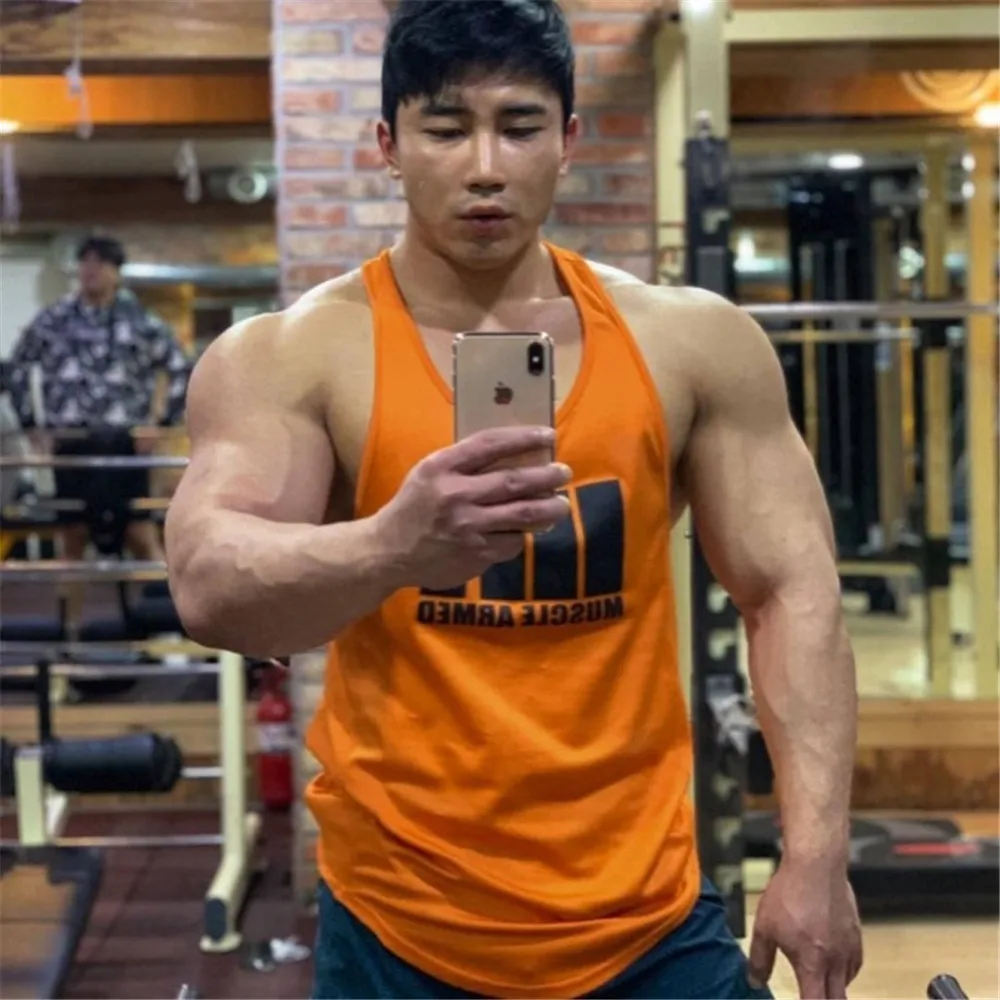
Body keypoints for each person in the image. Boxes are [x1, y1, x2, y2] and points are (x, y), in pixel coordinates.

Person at [165, 2, 863, 997]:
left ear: (568, 140)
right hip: (401, 920)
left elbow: (792, 589)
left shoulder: (691, 343)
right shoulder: (292, 355)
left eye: (520, 126)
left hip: (646, 913)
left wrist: (816, 855)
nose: (485, 166)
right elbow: (206, 585)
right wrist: (391, 546)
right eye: (447, 129)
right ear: (388, 145)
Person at [6, 234, 191, 563]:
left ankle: (163, 598)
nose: (91, 269)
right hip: (71, 441)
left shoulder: (141, 320)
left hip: (124, 442)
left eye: (101, 262)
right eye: (85, 261)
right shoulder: (54, 319)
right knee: (72, 535)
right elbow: (16, 368)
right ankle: (72, 602)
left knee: (139, 532)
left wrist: (160, 423)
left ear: (116, 271)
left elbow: (181, 368)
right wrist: (31, 424)